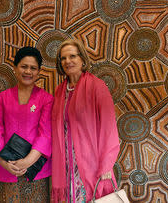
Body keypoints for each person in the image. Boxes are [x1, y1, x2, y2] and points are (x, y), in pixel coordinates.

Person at [51, 39, 120, 202]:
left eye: (72, 56)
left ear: (82, 59)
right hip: (66, 164)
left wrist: (107, 164)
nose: (67, 61)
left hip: (92, 163)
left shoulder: (97, 86)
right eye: (63, 58)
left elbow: (108, 127)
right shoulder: (60, 90)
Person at [0, 46, 53, 202]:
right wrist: (4, 162)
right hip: (7, 166)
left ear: (38, 72)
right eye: (24, 66)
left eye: (33, 68)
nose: (28, 71)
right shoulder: (2, 98)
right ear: (15, 68)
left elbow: (46, 134)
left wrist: (28, 161)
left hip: (36, 167)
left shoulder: (46, 99)